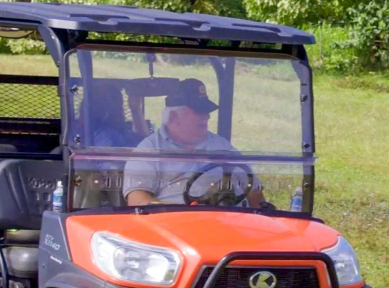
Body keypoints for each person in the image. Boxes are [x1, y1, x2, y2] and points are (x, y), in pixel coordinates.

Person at [123, 78, 262, 207]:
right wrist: (182, 213)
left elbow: (254, 191)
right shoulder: (150, 150)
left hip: (233, 221)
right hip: (179, 226)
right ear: (173, 116)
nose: (206, 116)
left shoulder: (221, 145)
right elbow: (137, 200)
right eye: (199, 111)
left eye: (206, 111)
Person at [92, 84, 147, 149]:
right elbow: (141, 148)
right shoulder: (106, 137)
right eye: (120, 106)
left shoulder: (90, 132)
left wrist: (135, 108)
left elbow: (140, 139)